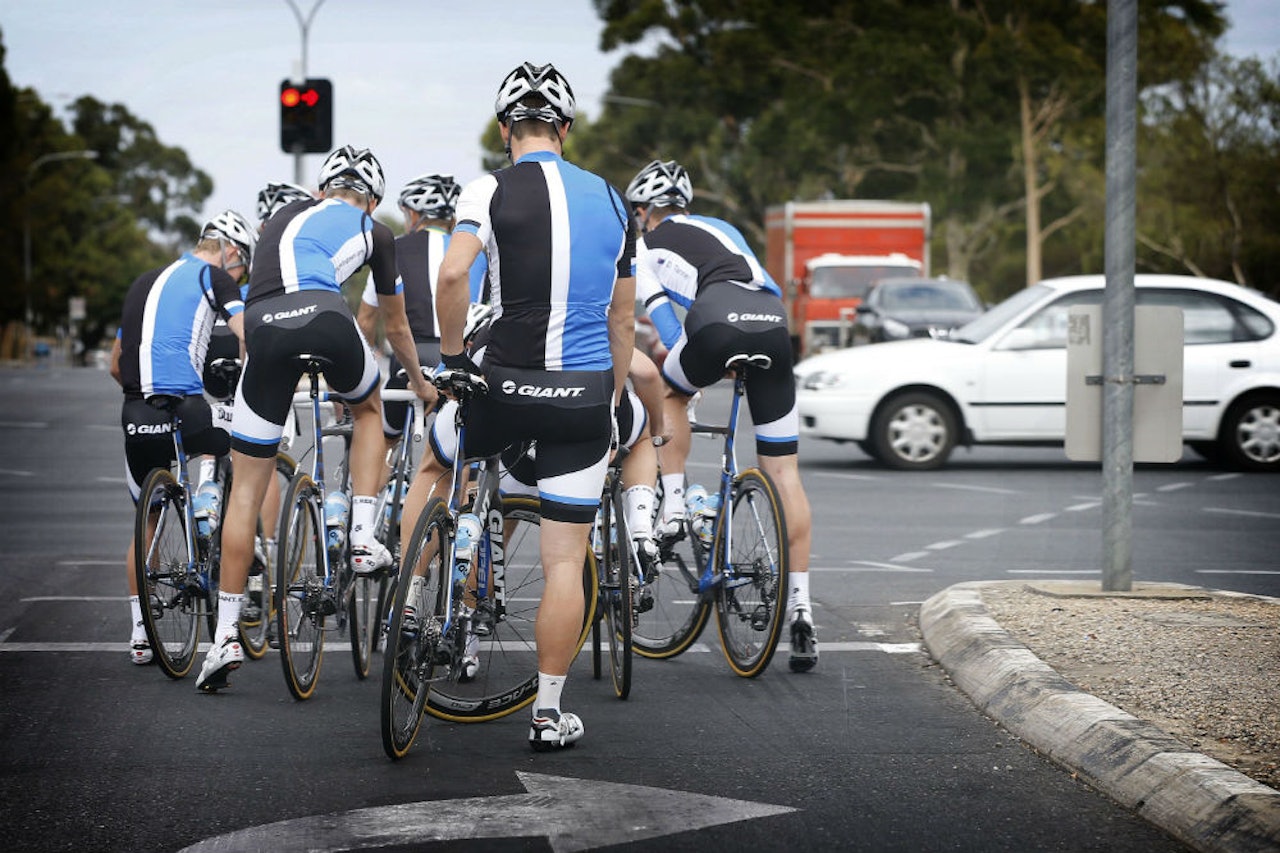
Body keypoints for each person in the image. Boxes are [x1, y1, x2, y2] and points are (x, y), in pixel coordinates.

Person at [432, 61, 635, 749]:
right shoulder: (613, 200)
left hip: (504, 385)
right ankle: (548, 713)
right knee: (564, 561)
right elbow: (622, 319)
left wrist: (454, 360)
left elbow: (453, 273)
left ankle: (429, 591)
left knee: (441, 463)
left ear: (504, 130)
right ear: (566, 130)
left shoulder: (488, 187)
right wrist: (613, 399)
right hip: (583, 395)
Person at [195, 145, 435, 692]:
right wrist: (421, 384)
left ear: (322, 190)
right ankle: (361, 533)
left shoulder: (281, 215)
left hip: (263, 328)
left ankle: (224, 636)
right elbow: (395, 328)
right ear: (371, 200)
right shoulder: (377, 231)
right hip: (326, 318)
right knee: (368, 407)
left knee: (245, 491)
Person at [625, 158, 818, 673]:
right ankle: (801, 609)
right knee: (785, 472)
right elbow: (762, 287)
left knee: (667, 391)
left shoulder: (643, 245)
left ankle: (674, 504)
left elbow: (667, 324)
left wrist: (693, 370)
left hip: (716, 320)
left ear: (642, 211)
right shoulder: (726, 229)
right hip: (772, 325)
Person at [110, 210, 254, 665]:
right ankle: (214, 522)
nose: (239, 277)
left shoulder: (142, 282)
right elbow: (245, 332)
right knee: (237, 448)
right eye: (242, 269)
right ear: (231, 251)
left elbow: (115, 363)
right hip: (188, 408)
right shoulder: (214, 276)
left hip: (135, 411)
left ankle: (140, 633)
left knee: (146, 521)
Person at [355, 173, 486, 507]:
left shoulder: (395, 247)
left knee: (385, 441)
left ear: (413, 215)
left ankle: (363, 522)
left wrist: (361, 376)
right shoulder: (477, 251)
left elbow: (366, 321)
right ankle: (459, 521)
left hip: (409, 356)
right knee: (461, 455)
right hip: (461, 357)